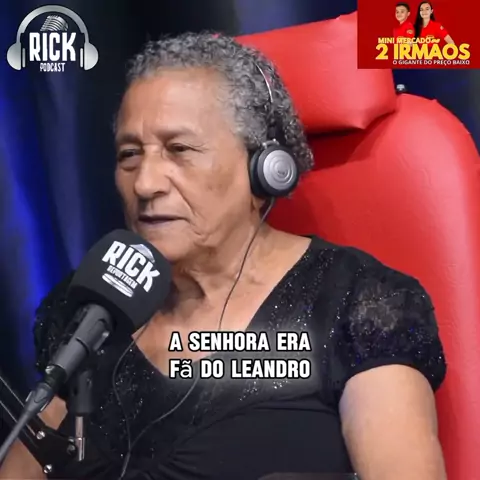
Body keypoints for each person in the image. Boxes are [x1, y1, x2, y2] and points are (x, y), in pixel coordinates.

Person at [0, 32, 447, 480]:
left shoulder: (357, 304)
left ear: (265, 170)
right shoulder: (92, 306)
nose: (145, 183)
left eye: (179, 150)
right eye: (129, 154)